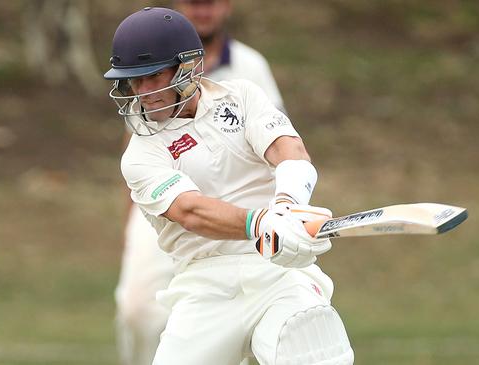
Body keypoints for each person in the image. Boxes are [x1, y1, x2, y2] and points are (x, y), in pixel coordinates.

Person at [105, 7, 354, 365]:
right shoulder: (140, 154)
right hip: (205, 287)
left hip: (276, 270)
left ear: (187, 66)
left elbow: (291, 151)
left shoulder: (241, 96)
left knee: (310, 340)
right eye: (134, 80)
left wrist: (287, 207)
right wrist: (262, 224)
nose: (143, 92)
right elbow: (190, 211)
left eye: (154, 76)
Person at [113, 1, 287, 364]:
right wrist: (133, 218)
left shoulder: (249, 67)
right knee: (137, 308)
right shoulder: (142, 47)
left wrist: (287, 201)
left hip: (245, 198)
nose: (203, 10)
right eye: (194, 2)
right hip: (167, 198)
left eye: (210, 1)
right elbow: (139, 152)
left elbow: (278, 143)